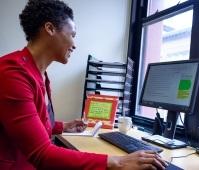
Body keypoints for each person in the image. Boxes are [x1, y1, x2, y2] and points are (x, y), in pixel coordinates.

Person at [0, 0, 167, 169]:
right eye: (72, 35)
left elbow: (30, 126)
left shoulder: (39, 74)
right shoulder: (13, 74)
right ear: (50, 29)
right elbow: (41, 153)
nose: (74, 44)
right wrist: (119, 162)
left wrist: (63, 126)